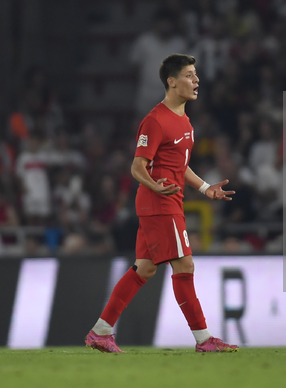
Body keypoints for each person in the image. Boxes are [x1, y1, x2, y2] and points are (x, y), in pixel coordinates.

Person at [85, 54, 238, 353]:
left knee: (144, 268)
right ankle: (204, 340)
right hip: (160, 202)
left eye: (196, 76)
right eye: (189, 75)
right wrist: (155, 185)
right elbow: (137, 166)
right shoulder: (155, 120)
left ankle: (101, 331)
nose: (196, 81)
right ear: (171, 81)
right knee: (184, 264)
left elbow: (179, 166)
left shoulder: (185, 121)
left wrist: (206, 188)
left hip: (168, 200)